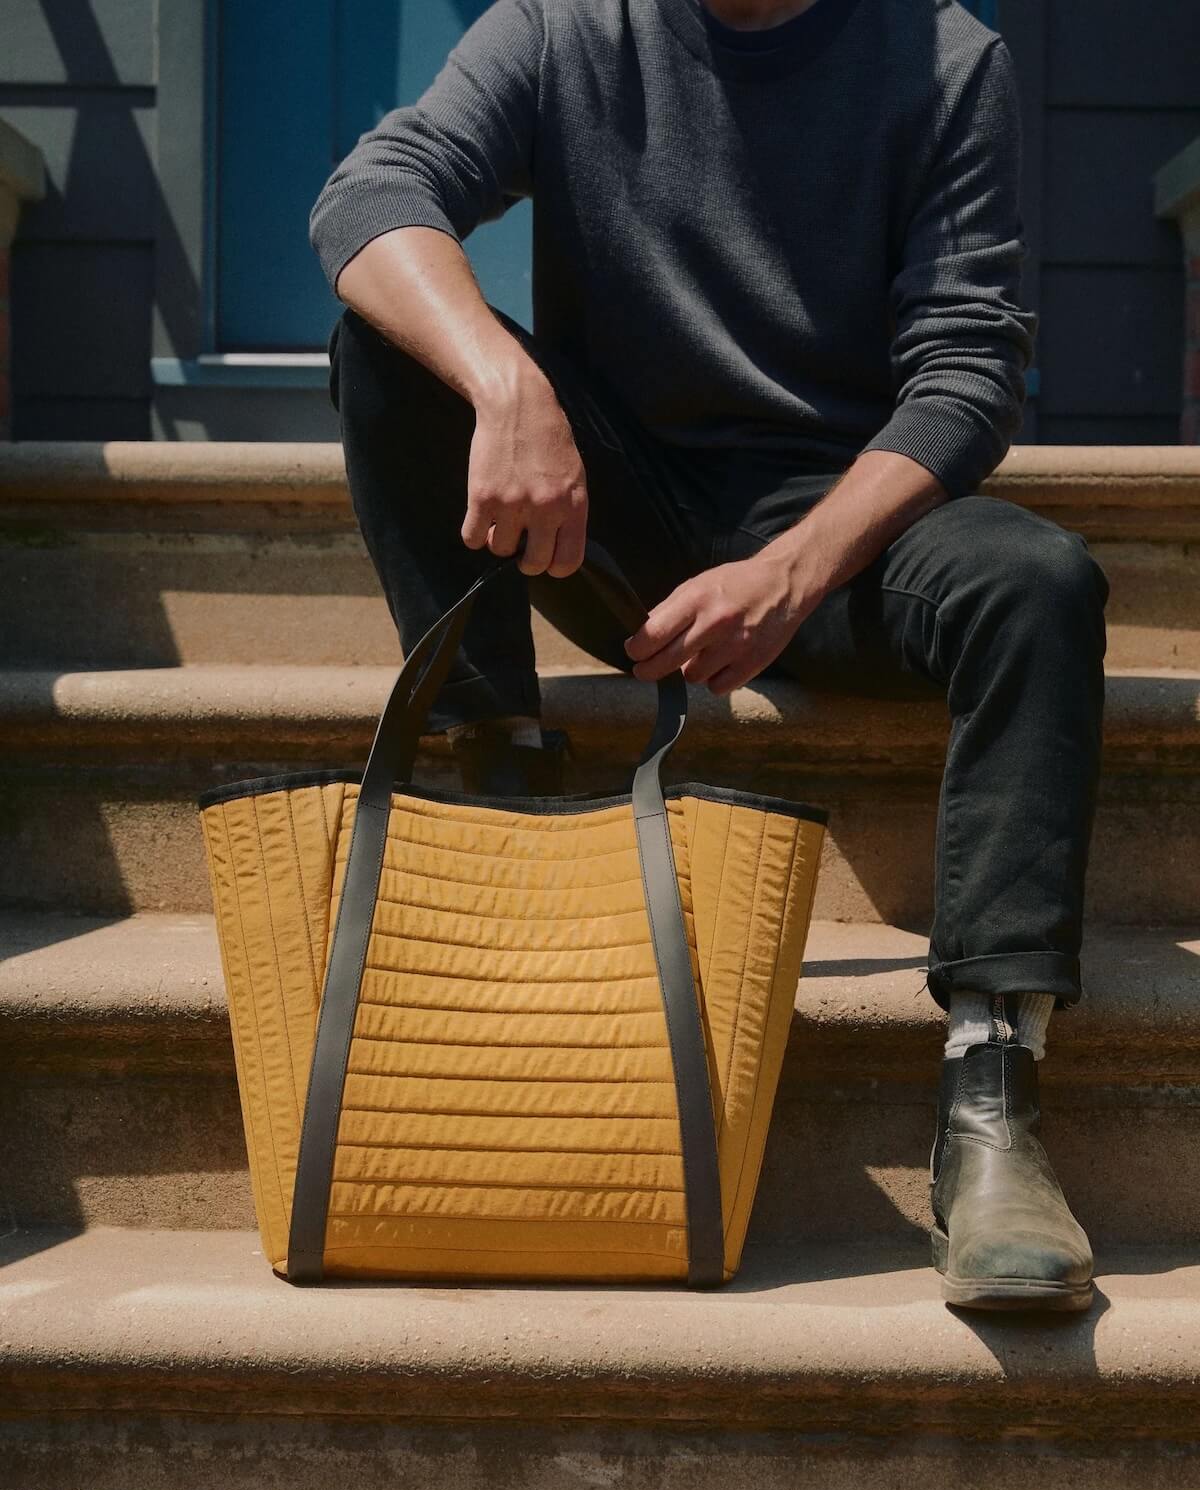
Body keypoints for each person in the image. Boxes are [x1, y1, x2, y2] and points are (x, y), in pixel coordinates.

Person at [309, 0, 1108, 1312]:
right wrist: (511, 392)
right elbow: (376, 190)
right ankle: (499, 753)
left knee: (1037, 584)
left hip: (841, 530)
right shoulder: (564, 29)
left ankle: (992, 1103)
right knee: (397, 344)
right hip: (616, 515)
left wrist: (793, 573)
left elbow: (966, 373)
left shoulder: (948, 60)